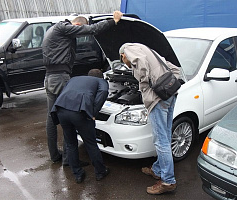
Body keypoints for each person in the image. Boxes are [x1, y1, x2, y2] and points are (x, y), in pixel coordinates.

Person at [42, 11, 123, 164]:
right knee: (69, 116)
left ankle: (55, 155)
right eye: (79, 31)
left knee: (52, 118)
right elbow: (92, 29)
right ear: (78, 25)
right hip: (59, 78)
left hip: (50, 78)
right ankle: (69, 160)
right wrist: (114, 21)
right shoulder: (64, 28)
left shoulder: (53, 29)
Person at [119, 43, 181, 195]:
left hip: (158, 99)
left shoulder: (128, 49)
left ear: (123, 55)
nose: (127, 65)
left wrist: (147, 84)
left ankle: (168, 181)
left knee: (160, 141)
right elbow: (175, 69)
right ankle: (158, 169)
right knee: (165, 136)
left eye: (124, 62)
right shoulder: (151, 51)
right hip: (170, 94)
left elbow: (140, 65)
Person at [50, 69, 110, 183]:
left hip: (61, 110)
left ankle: (78, 174)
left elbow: (65, 92)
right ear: (101, 77)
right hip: (79, 112)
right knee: (91, 143)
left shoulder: (74, 79)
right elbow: (103, 92)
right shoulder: (100, 81)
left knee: (71, 143)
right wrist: (93, 112)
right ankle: (100, 172)